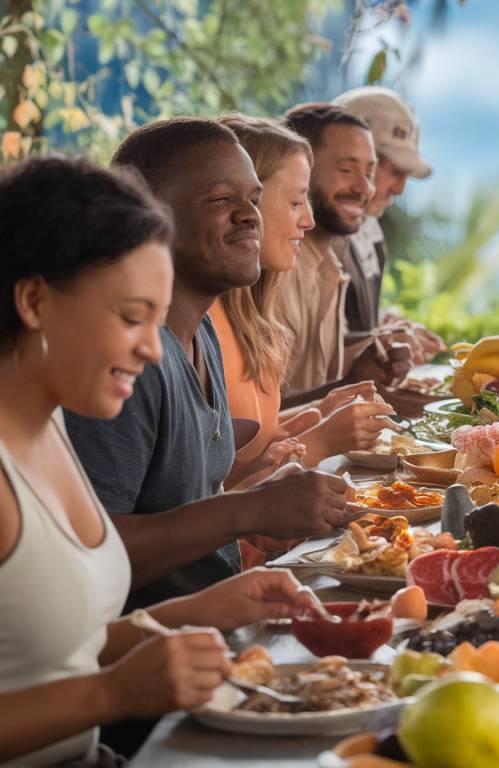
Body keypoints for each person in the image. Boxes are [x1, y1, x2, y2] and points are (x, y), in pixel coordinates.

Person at [0, 155, 326, 766]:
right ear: (35, 301)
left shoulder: (50, 436)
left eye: (157, 319)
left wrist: (196, 612)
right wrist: (109, 695)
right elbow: (78, 680)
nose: (152, 349)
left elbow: (52, 650)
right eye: (130, 318)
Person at [63, 118, 352, 611]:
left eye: (255, 200)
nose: (249, 216)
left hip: (219, 627)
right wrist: (246, 510)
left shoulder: (200, 333)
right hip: (140, 662)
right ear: (147, 215)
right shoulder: (126, 358)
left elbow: (193, 503)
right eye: (221, 200)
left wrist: (264, 505)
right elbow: (83, 556)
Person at [210, 115, 398, 479]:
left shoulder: (251, 313)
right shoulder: (203, 327)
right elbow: (211, 487)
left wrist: (318, 409)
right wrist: (319, 440)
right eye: (297, 202)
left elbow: (244, 447)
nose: (309, 220)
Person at [277, 102, 418, 406]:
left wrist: (375, 350)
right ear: (299, 172)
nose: (363, 188)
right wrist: (348, 386)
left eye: (369, 173)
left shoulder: (328, 265)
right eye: (346, 170)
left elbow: (314, 368)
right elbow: (249, 421)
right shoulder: (273, 270)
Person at [331, 86, 445, 365]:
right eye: (395, 172)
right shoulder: (306, 237)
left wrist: (389, 330)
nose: (400, 190)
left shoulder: (370, 234)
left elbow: (351, 325)